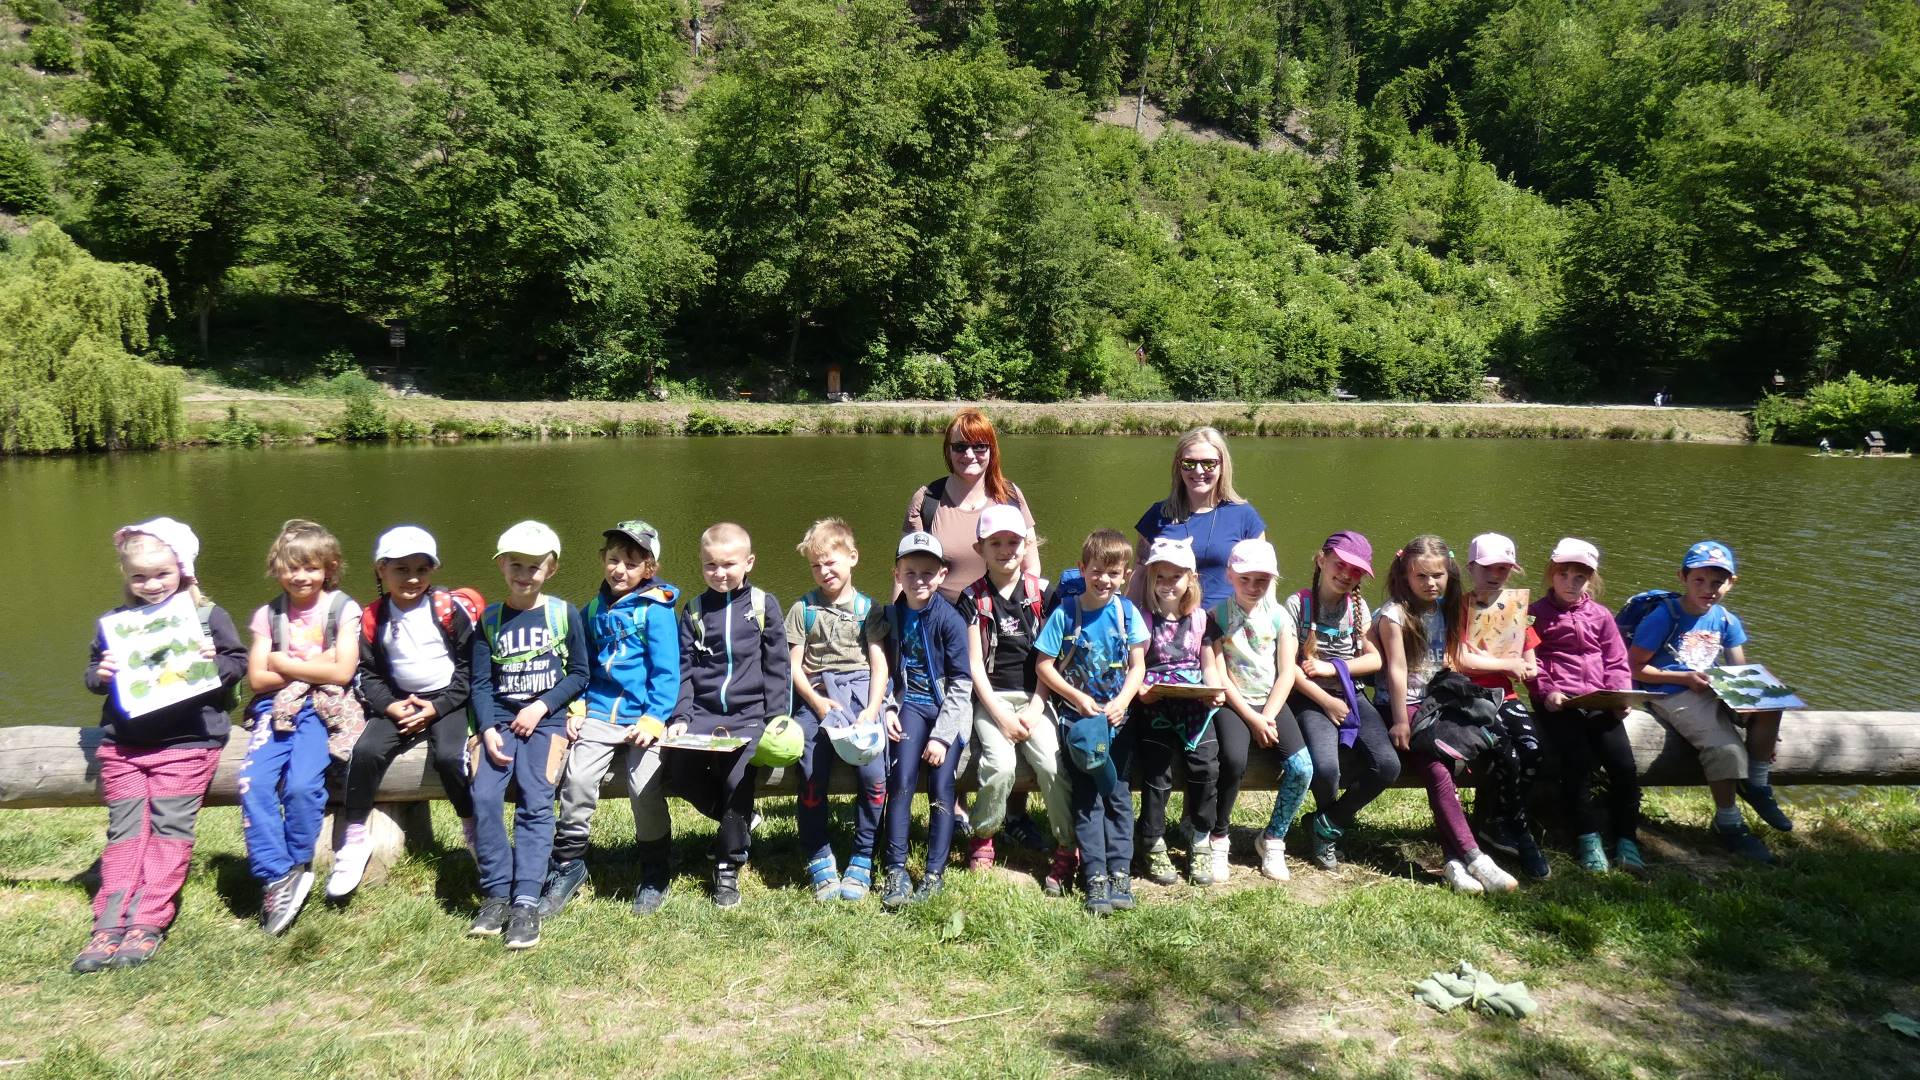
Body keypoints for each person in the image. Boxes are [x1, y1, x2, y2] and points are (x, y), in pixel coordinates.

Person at [72, 519, 247, 972]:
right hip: (124, 748)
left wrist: (214, 663)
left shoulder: (207, 616)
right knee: (126, 834)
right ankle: (108, 925)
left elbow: (238, 662)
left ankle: (146, 922)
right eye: (140, 576)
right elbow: (92, 675)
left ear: (182, 570)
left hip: (188, 744)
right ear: (126, 575)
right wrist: (101, 674)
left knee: (169, 833)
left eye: (162, 574)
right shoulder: (116, 623)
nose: (151, 585)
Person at [329, 526, 480, 900]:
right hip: (399, 701)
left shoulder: (447, 609)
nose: (412, 578)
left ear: (433, 571)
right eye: (401, 569)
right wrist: (390, 706)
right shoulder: (373, 616)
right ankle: (355, 838)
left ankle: (473, 830)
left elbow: (470, 666)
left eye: (421, 569)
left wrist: (438, 707)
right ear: (380, 570)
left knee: (450, 758)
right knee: (365, 752)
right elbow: (367, 673)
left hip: (446, 700)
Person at [541, 521, 681, 918]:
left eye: (631, 563)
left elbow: (667, 672)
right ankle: (568, 864)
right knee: (578, 779)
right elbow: (582, 667)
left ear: (649, 569)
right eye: (614, 560)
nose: (620, 570)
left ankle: (655, 870)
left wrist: (654, 718)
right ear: (603, 559)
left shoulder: (656, 611)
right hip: (600, 712)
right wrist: (578, 705)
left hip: (644, 715)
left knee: (643, 785)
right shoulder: (591, 611)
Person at [1372, 535, 1518, 895]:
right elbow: (1397, 669)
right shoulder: (1394, 615)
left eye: (1437, 575)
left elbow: (1453, 656)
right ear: (1405, 576)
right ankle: (1474, 857)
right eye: (1421, 576)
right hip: (1401, 704)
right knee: (1438, 768)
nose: (1430, 583)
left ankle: (1455, 863)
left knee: (1464, 754)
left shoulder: (1445, 608)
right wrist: (1401, 721)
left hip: (1436, 701)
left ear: (1449, 574)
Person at [468, 521, 588, 948]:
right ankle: (496, 892)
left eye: (534, 567)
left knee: (536, 799)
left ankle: (526, 900)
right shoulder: (489, 620)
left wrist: (541, 706)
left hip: (547, 720)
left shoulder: (563, 614)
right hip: (500, 722)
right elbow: (480, 683)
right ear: (501, 565)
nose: (524, 574)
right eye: (515, 565)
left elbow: (579, 674)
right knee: (484, 796)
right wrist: (486, 728)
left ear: (550, 570)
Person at [240, 519, 362, 936]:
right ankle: (274, 874)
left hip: (322, 708)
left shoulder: (342, 608)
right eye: (291, 567)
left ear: (329, 568)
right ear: (277, 569)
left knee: (302, 785)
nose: (300, 576)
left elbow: (342, 672)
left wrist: (282, 662)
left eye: (311, 567)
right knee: (254, 783)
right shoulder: (268, 615)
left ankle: (297, 863)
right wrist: (314, 664)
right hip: (273, 708)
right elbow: (257, 680)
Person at [1629, 540, 1787, 863]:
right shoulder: (1664, 617)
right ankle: (1727, 824)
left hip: (1710, 687)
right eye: (1699, 580)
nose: (1708, 589)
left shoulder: (1726, 619)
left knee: (1772, 702)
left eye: (1717, 582)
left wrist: (1752, 699)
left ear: (1731, 583)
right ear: (1683, 578)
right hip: (1671, 691)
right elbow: (1635, 668)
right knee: (1726, 748)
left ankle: (1757, 784)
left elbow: (1738, 670)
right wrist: (1684, 678)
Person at [665, 522, 790, 907]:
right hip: (703, 714)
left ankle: (727, 864)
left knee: (738, 781)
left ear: (748, 562)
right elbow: (684, 669)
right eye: (710, 565)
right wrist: (682, 716)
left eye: (728, 564)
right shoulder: (694, 610)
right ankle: (738, 821)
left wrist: (776, 718)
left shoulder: (763, 605)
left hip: (749, 715)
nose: (719, 573)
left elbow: (778, 665)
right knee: (676, 772)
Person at [955, 506, 1073, 882]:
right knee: (1000, 765)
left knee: (1053, 765)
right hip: (992, 700)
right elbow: (974, 665)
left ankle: (1067, 845)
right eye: (996, 543)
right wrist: (1000, 715)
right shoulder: (972, 598)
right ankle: (984, 835)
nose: (1006, 550)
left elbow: (1049, 660)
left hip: (1037, 696)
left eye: (1013, 542)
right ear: (980, 549)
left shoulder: (1043, 593)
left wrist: (1037, 706)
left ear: (1026, 545)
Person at [1035, 529, 1149, 915]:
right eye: (1096, 571)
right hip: (1078, 726)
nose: (1104, 580)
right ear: (1082, 569)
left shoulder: (1127, 613)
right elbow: (1044, 666)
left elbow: (1137, 666)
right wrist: (1078, 698)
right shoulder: (1066, 614)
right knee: (1087, 799)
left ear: (1126, 576)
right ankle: (1095, 876)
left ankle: (1120, 873)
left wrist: (1122, 701)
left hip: (1118, 722)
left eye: (1113, 573)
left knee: (1117, 796)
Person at [785, 518, 890, 902]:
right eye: (816, 565)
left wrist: (873, 709)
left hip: (861, 694)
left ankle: (863, 852)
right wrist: (816, 703)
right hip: (817, 694)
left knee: (874, 772)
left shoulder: (869, 610)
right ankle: (818, 852)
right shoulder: (803, 609)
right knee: (811, 770)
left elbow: (879, 665)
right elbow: (794, 667)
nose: (824, 571)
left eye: (831, 562)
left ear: (853, 558)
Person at [1282, 530, 1398, 872]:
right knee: (1327, 769)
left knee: (1388, 766)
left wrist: (1334, 667)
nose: (1347, 574)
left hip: (1352, 694)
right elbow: (1288, 667)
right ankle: (1326, 830)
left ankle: (1328, 822)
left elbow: (1374, 660)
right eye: (1340, 564)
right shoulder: (1298, 604)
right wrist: (1325, 700)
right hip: (1310, 697)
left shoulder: (1358, 608)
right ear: (1321, 560)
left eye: (1356, 570)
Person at [1526, 538, 1643, 874]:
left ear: (1590, 579)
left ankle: (1627, 837)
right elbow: (1533, 662)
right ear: (1551, 574)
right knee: (1576, 763)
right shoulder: (1534, 614)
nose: (1571, 582)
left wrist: (1620, 695)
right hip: (1560, 703)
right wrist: (1547, 691)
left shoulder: (1601, 615)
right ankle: (1587, 836)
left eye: (1579, 576)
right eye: (1563, 574)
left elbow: (1616, 660)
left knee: (1623, 766)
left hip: (1600, 701)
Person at [878, 532, 975, 907]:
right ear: (897, 574)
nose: (919, 579)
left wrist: (942, 737)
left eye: (928, 573)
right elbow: (883, 670)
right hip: (911, 706)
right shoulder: (890, 616)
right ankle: (896, 869)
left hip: (946, 710)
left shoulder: (950, 620)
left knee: (941, 784)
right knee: (900, 780)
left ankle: (934, 873)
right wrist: (888, 706)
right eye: (911, 572)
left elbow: (962, 683)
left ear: (941, 575)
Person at [1209, 538, 1313, 883]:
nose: (1253, 587)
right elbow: (1220, 676)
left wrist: (1267, 715)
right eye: (1245, 579)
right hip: (1233, 702)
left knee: (1302, 767)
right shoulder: (1217, 616)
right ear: (1230, 575)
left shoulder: (1281, 617)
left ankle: (1272, 838)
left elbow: (1286, 673)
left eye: (1262, 580)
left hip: (1271, 701)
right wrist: (1252, 718)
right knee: (1233, 761)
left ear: (1273, 579)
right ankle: (1219, 837)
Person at [1452, 533, 1549, 880]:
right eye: (1488, 568)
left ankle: (1503, 819)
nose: (1495, 575)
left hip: (1505, 695)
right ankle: (1514, 828)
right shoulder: (1459, 608)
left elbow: (1531, 665)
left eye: (1503, 569)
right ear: (1471, 568)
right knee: (1505, 753)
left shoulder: (1517, 610)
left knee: (1533, 750)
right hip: (1469, 696)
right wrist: (1504, 664)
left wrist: (1519, 667)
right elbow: (1460, 660)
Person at [1129, 537, 1225, 886]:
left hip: (1194, 702)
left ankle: (1200, 836)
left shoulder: (1201, 620)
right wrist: (1141, 692)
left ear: (1191, 579)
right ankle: (1152, 839)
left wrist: (1214, 691)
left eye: (1176, 577)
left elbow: (1208, 664)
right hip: (1155, 701)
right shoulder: (1142, 618)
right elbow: (1136, 664)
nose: (1168, 584)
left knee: (1206, 765)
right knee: (1158, 771)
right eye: (1161, 577)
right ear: (1150, 579)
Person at [901, 407, 1041, 603]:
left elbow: (1030, 567)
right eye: (960, 447)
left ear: (992, 450)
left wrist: (1015, 609)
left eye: (979, 446)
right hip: (941, 617)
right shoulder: (926, 500)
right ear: (948, 450)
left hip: (998, 615)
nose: (969, 454)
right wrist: (897, 617)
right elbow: (904, 572)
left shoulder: (1010, 496)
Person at [1134, 427, 1267, 610]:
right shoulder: (1158, 515)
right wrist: (1126, 621)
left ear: (1222, 466)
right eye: (1189, 463)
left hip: (1227, 623)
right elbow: (1139, 576)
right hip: (1167, 623)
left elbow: (1264, 576)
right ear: (1179, 466)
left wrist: (1269, 619)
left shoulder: (1245, 516)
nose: (1198, 470)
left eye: (1208, 463)